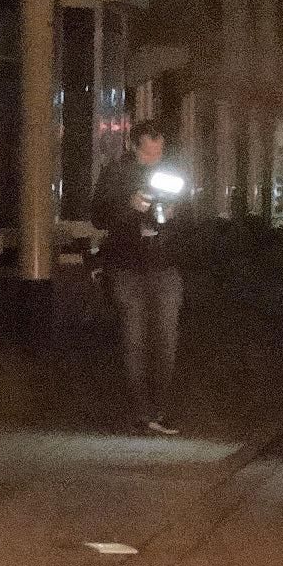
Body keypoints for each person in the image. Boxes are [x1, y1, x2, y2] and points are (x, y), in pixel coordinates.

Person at [105, 124, 186, 433]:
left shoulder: (171, 174)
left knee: (167, 340)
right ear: (136, 147)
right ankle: (142, 411)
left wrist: (176, 213)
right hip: (128, 268)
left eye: (160, 150)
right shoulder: (116, 174)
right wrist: (129, 207)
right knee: (134, 339)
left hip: (164, 266)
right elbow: (100, 215)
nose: (156, 156)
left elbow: (189, 217)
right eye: (150, 151)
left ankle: (160, 408)